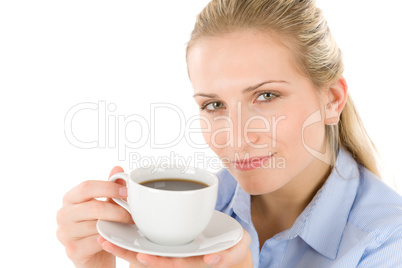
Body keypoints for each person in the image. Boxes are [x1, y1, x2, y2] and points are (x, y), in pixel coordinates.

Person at [56, 0, 402, 267]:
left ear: (332, 99)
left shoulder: (388, 242)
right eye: (213, 105)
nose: (235, 138)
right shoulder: (195, 213)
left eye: (266, 96)